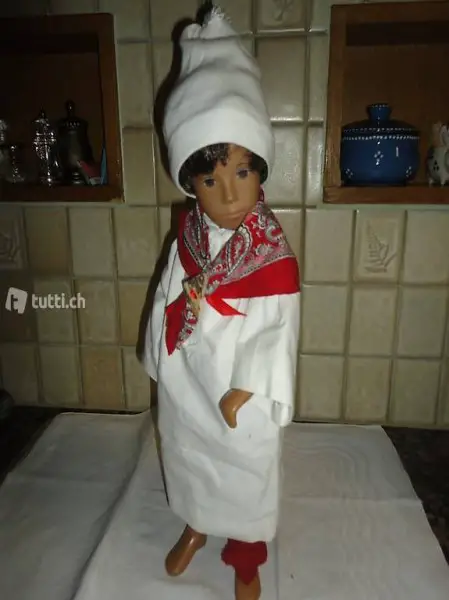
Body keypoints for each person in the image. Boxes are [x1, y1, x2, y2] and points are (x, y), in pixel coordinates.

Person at [142, 5, 301, 600]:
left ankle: (245, 554)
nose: (229, 193)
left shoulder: (270, 253)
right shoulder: (187, 237)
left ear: (261, 170)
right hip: (189, 375)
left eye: (241, 172)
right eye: (210, 180)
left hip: (239, 386)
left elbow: (276, 324)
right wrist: (162, 355)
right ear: (191, 184)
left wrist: (249, 386)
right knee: (188, 454)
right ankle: (195, 523)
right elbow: (169, 294)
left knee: (242, 469)